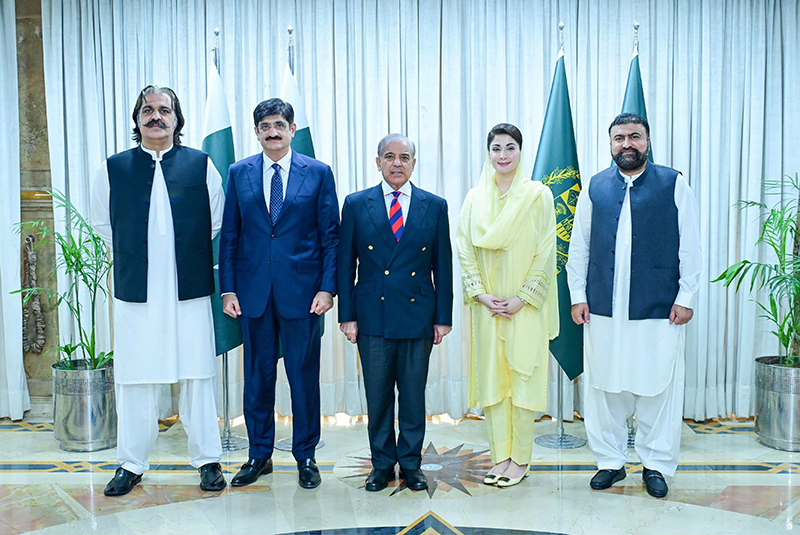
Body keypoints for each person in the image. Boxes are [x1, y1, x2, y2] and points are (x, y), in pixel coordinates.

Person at [91, 85, 226, 496]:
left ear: (176, 119)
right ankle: (131, 464)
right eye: (147, 110)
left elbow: (215, 221)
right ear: (136, 119)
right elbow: (102, 223)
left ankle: (207, 461)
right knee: (135, 378)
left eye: (164, 110)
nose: (156, 116)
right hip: (138, 291)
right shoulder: (113, 168)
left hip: (188, 288)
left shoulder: (201, 165)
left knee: (198, 375)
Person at [567, 112, 701, 498]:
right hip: (602, 305)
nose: (627, 144)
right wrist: (578, 295)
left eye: (635, 137)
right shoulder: (594, 186)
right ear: (610, 144)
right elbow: (579, 247)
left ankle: (656, 464)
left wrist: (686, 296)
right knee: (604, 387)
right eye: (619, 138)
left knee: (658, 385)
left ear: (647, 141)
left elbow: (689, 243)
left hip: (658, 306)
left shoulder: (672, 183)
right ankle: (610, 461)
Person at [218, 98, 339, 489]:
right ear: (256, 131)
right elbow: (230, 235)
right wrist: (228, 289)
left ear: (291, 129)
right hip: (252, 294)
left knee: (303, 377)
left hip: (303, 295)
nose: (273, 132)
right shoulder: (239, 173)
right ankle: (259, 455)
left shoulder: (318, 173)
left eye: (280, 125)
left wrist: (327, 288)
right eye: (265, 125)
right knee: (257, 377)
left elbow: (331, 237)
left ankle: (306, 456)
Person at [338, 133, 453, 492]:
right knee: (378, 394)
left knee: (414, 395)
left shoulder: (434, 205)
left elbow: (443, 266)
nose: (397, 163)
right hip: (372, 314)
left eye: (405, 157)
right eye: (389, 156)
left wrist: (443, 317)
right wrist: (348, 315)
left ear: (414, 163)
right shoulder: (357, 204)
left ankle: (412, 465)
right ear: (378, 162)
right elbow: (345, 265)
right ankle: (382, 464)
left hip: (418, 315)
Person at [456, 123, 559, 488]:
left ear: (521, 152)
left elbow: (546, 251)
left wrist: (523, 298)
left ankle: (522, 460)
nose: (503, 155)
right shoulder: (474, 198)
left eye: (510, 148)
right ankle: (500, 456)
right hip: (488, 307)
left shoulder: (537, 195)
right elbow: (465, 250)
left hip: (524, 307)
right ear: (488, 153)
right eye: (496, 148)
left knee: (523, 378)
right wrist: (481, 294)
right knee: (493, 380)